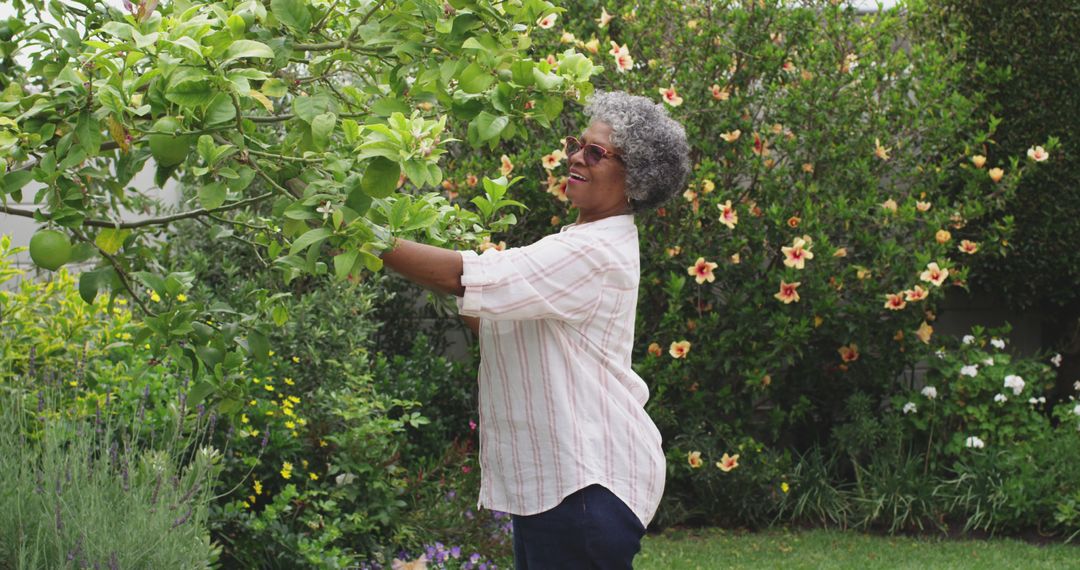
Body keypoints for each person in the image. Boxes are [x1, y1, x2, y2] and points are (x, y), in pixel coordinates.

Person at [379, 90, 691, 569]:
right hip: (564, 485)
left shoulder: (593, 253)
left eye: (595, 152)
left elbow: (460, 277)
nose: (574, 158)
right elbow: (484, 311)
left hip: (585, 484)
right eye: (576, 144)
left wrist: (362, 235)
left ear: (636, 179)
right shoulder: (577, 242)